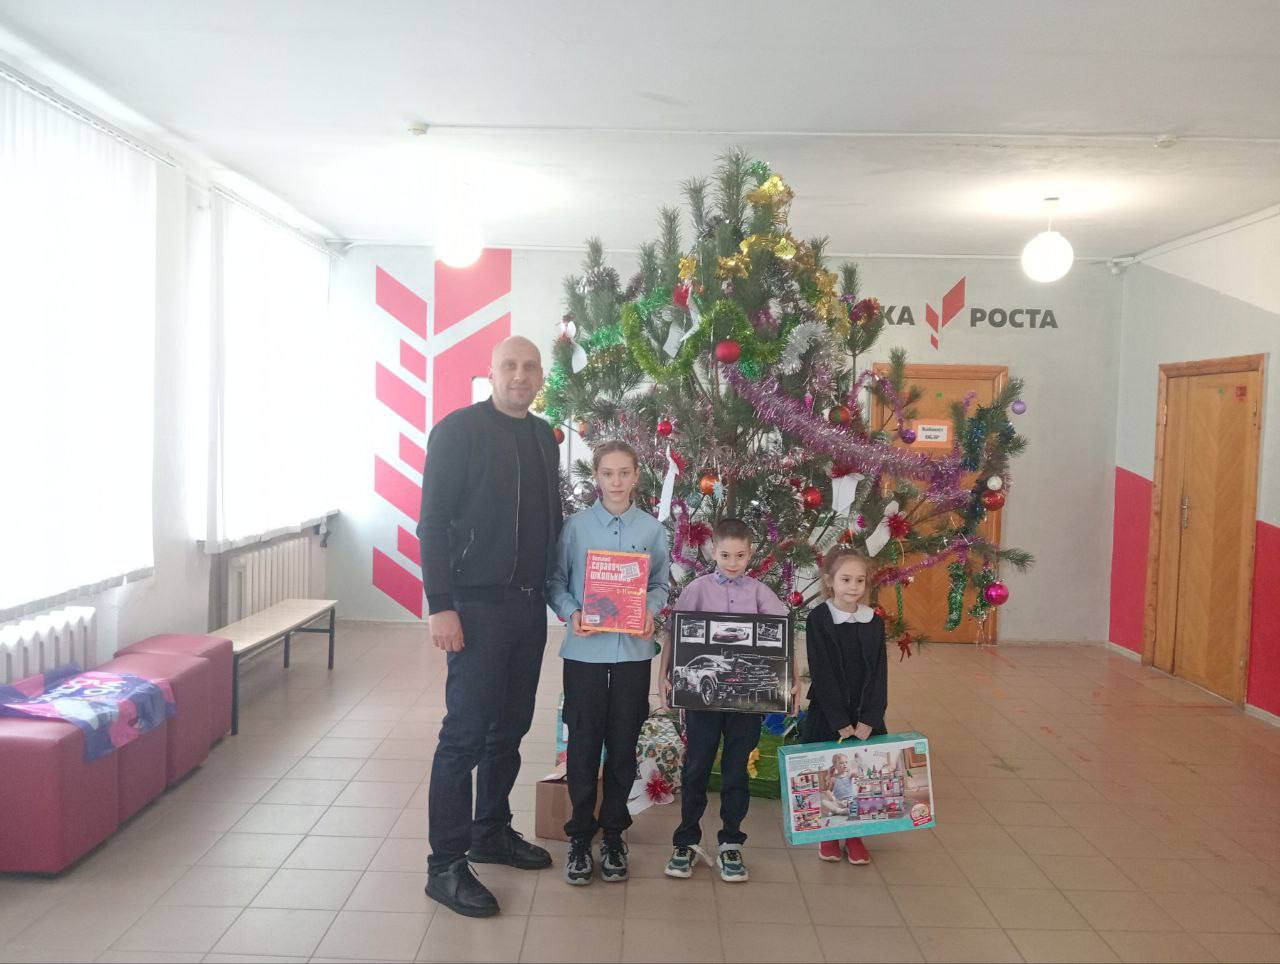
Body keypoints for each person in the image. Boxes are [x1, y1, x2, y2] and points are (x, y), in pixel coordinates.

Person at [417, 336, 563, 918]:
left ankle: (491, 831)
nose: (520, 375)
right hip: (474, 607)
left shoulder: (543, 436)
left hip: (528, 608)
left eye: (529, 367)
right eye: (510, 366)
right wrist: (440, 604)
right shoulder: (458, 431)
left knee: (511, 727)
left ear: (540, 375)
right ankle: (445, 866)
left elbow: (548, 518)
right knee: (465, 735)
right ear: (492, 373)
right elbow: (432, 523)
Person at [547, 440, 669, 886]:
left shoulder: (652, 530)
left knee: (623, 744)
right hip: (585, 655)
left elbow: (659, 584)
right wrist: (571, 612)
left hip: (633, 654)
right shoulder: (575, 528)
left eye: (624, 473)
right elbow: (556, 581)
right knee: (583, 745)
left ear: (636, 476)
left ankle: (614, 833)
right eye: (607, 473)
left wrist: (650, 610)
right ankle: (580, 835)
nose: (616, 481)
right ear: (596, 477)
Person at [659, 517, 794, 883]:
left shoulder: (760, 593)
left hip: (745, 705)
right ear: (712, 552)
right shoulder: (696, 590)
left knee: (736, 770)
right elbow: (675, 633)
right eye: (725, 555)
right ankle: (685, 841)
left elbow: (782, 637)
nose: (732, 563)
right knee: (696, 767)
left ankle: (731, 842)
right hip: (701, 705)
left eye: (740, 555)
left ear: (750, 554)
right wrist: (662, 675)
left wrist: (792, 681)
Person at [802, 546, 888, 866]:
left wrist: (870, 718)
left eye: (860, 580)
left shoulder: (873, 622)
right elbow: (821, 671)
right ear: (830, 581)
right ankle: (828, 832)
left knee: (860, 774)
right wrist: (839, 719)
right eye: (846, 579)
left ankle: (854, 834)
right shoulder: (819, 619)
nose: (853, 587)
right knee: (829, 772)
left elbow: (879, 674)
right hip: (829, 712)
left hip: (863, 713)